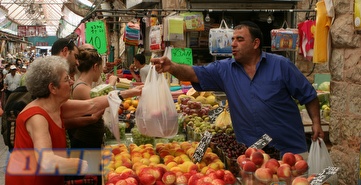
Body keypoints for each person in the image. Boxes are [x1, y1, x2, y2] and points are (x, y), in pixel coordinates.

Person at [151, 21, 324, 156]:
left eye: (240, 40)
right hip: (252, 152)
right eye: (232, 39)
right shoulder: (224, 69)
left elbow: (308, 95)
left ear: (255, 43)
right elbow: (193, 74)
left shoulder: (281, 65)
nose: (233, 44)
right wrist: (172, 66)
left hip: (289, 148)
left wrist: (316, 122)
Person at [5, 56, 142, 185]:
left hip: (49, 176)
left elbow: (92, 105)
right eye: (66, 79)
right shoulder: (37, 117)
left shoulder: (56, 105)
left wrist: (131, 92)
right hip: (30, 179)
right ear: (52, 88)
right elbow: (46, 160)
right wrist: (76, 164)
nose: (71, 82)